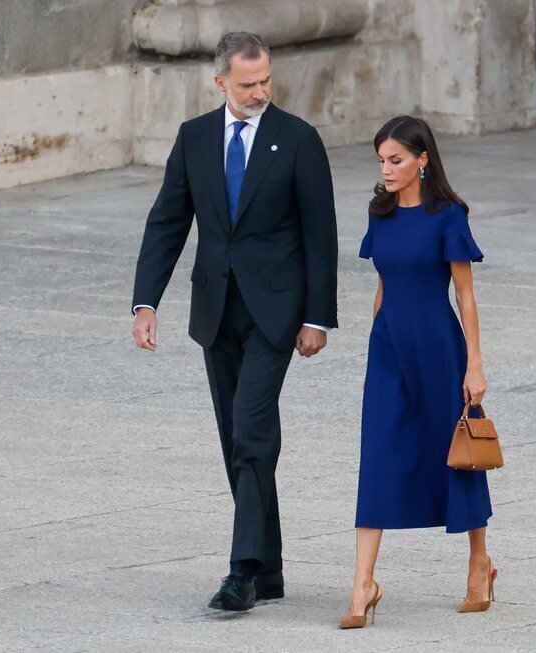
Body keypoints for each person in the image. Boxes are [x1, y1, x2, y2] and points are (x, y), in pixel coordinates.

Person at [130, 31, 338, 612]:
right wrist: (146, 301)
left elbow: (321, 235)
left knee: (251, 431)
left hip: (277, 313)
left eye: (267, 80)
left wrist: (318, 317)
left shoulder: (297, 139)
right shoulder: (194, 138)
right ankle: (268, 568)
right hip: (216, 311)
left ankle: (241, 571)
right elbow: (167, 222)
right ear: (220, 81)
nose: (260, 92)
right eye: (248, 84)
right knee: (234, 440)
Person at [339, 116, 494, 629]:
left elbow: (465, 297)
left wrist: (474, 365)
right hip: (389, 351)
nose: (386, 169)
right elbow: (382, 285)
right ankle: (363, 585)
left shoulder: (447, 216)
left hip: (439, 350)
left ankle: (479, 563)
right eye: (381, 160)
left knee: (457, 456)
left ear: (422, 160)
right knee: (378, 455)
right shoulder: (379, 214)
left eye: (396, 160)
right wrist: (376, 341)